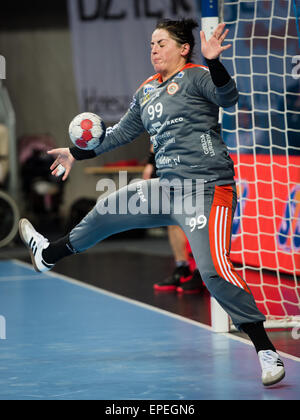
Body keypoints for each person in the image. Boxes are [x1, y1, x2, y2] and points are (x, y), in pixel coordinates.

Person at [19, 19, 285, 387]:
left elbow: (229, 98)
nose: (154, 49)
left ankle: (265, 351)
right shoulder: (146, 91)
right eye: (151, 44)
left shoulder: (197, 76)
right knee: (106, 211)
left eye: (161, 43)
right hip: (167, 188)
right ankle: (49, 255)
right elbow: (118, 135)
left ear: (183, 48)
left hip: (207, 189)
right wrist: (74, 154)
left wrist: (215, 62)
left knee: (213, 270)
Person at [143, 146, 203, 293]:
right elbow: (156, 135)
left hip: (190, 162)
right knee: (172, 219)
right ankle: (182, 268)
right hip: (166, 164)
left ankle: (200, 271)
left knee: (194, 218)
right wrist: (151, 163)